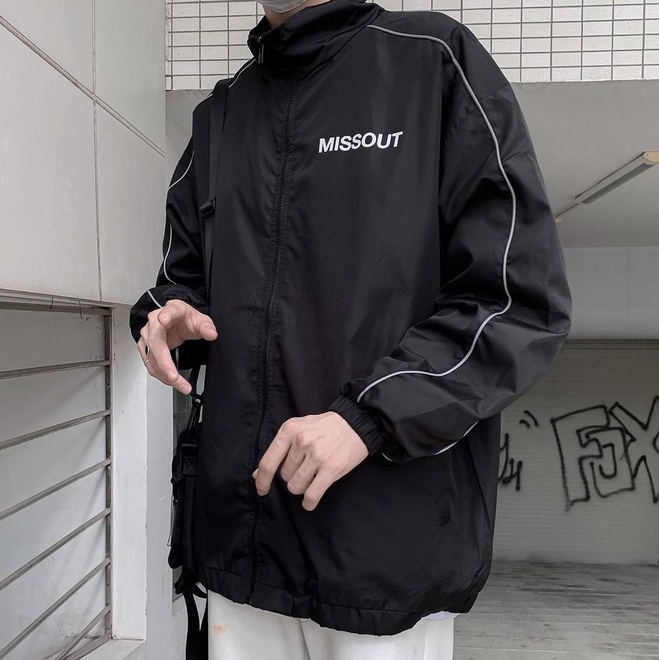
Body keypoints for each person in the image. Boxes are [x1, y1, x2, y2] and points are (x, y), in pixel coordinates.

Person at [129, 0, 572, 656]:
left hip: (381, 557)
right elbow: (181, 279)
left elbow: (516, 299)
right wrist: (166, 316)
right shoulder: (222, 114)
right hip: (238, 552)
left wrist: (370, 417)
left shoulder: (432, 61)